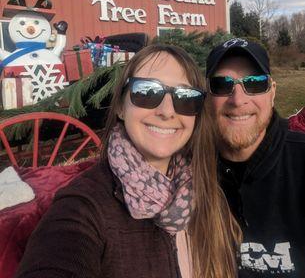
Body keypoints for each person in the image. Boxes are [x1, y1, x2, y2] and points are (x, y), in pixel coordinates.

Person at [16, 43, 240, 278]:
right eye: (147, 92)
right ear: (122, 106)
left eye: (185, 97)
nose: (167, 111)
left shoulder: (207, 188)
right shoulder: (84, 206)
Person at [204, 37, 305, 277]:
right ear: (207, 97)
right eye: (222, 84)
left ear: (272, 93)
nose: (238, 100)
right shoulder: (188, 171)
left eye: (255, 82)